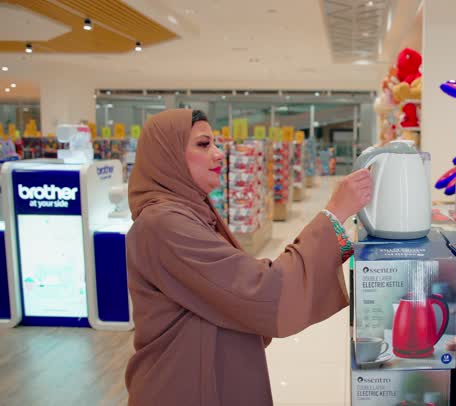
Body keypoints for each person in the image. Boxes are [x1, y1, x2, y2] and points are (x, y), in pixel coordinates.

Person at [124, 109, 372, 405]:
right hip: (185, 385)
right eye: (203, 145)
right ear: (167, 156)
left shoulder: (189, 213)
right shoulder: (164, 223)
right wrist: (334, 213)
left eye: (215, 144)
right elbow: (261, 289)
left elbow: (236, 282)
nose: (218, 155)